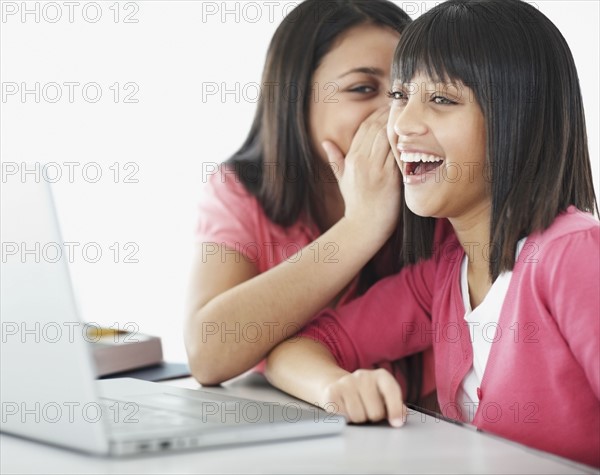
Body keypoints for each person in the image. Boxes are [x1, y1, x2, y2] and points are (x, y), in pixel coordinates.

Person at [265, 0, 600, 467]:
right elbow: (294, 350)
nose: (400, 125)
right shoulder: (446, 274)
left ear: (517, 119)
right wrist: (338, 386)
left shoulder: (574, 256)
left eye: (441, 100)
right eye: (401, 96)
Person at [184, 0, 436, 405]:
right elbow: (208, 356)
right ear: (295, 99)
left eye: (403, 92)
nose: (394, 117)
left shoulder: (436, 194)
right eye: (363, 89)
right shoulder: (244, 189)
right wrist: (360, 227)